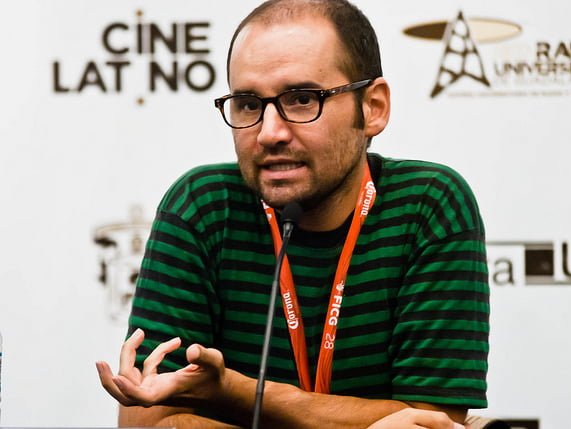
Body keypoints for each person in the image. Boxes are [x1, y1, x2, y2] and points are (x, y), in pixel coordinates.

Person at [96, 1, 490, 428]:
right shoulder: (203, 207)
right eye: (248, 104)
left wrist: (231, 389)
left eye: (302, 99)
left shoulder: (428, 205)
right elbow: (150, 422)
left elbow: (433, 421)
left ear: (372, 108)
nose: (269, 133)